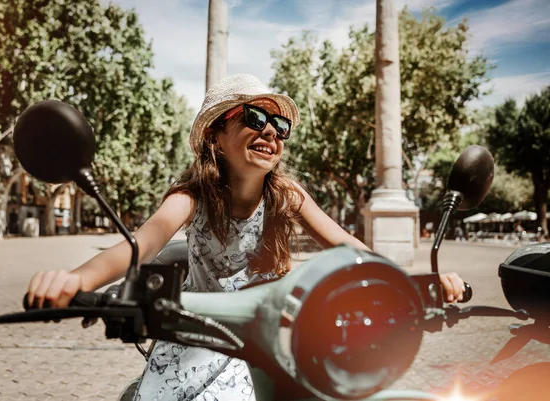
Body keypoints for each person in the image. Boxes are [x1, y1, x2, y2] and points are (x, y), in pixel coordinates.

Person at [26, 74, 467, 401]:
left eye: (279, 124)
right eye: (254, 117)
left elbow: (353, 250)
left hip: (274, 337)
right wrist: (76, 280)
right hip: (196, 333)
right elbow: (142, 243)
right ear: (217, 136)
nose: (271, 130)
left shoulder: (287, 195)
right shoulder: (192, 195)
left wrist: (420, 280)